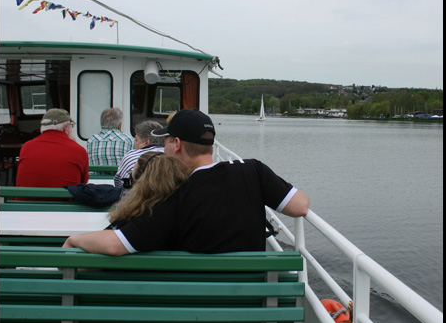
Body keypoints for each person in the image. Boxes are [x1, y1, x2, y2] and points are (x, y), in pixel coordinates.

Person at [62, 109, 309, 255]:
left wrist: (75, 239)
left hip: (196, 313)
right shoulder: (253, 170)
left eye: (166, 141)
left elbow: (117, 244)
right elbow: (299, 206)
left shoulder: (173, 194)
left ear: (177, 144)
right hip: (254, 306)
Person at [62, 152, 189, 255]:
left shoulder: (151, 215)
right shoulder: (180, 207)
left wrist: (73, 240)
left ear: (141, 184)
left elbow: (113, 246)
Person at [16, 108, 89, 188]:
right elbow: (83, 182)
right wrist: (74, 145)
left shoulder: (26, 147)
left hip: (25, 200)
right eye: (71, 126)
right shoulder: (79, 150)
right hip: (63, 200)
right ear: (66, 128)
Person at [113, 120, 165, 188]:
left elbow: (118, 184)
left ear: (146, 142)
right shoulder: (169, 155)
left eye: (136, 140)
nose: (134, 145)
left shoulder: (131, 155)